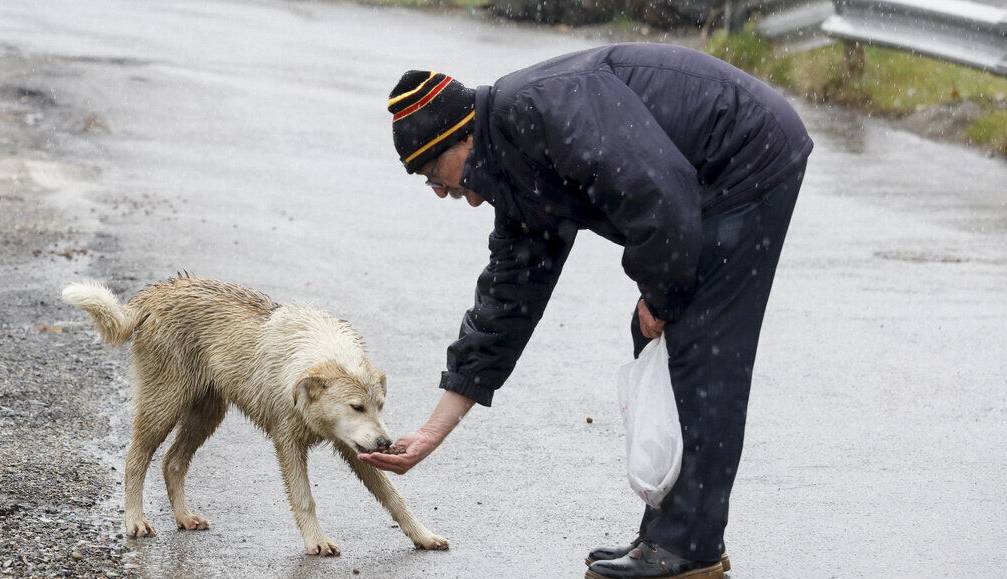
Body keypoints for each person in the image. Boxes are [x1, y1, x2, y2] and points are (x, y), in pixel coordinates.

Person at [360, 43, 813, 579]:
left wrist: (662, 295)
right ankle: (667, 536)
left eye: (434, 173)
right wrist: (432, 432)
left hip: (745, 155)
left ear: (459, 137)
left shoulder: (540, 111)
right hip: (707, 176)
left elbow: (658, 194)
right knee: (663, 341)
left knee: (697, 345)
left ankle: (689, 547)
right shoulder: (513, 162)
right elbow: (507, 302)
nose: (439, 192)